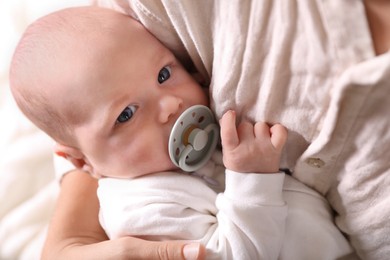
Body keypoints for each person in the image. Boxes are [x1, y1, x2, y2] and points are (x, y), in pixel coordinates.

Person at [9, 6, 355, 260]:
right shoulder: (139, 210)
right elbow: (227, 255)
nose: (170, 105)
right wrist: (251, 178)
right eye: (126, 114)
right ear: (81, 160)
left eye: (163, 74)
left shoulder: (199, 149)